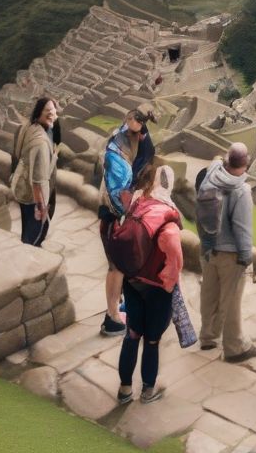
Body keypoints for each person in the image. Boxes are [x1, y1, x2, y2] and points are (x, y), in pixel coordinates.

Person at [116, 163, 182, 405]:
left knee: (132, 333)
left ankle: (124, 389)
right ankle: (147, 390)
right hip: (156, 287)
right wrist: (168, 284)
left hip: (132, 280)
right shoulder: (167, 216)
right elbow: (174, 255)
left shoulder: (136, 204)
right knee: (152, 340)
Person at [197, 143, 256, 363]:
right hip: (229, 254)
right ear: (245, 164)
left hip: (207, 248)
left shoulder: (211, 173)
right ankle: (235, 347)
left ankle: (208, 336)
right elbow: (242, 228)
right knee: (231, 300)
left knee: (209, 293)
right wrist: (246, 258)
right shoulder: (241, 190)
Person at [99, 108, 157, 336]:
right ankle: (112, 317)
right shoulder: (118, 155)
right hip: (114, 216)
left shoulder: (133, 138)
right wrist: (127, 215)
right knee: (116, 267)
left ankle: (118, 310)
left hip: (118, 214)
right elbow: (118, 192)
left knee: (123, 267)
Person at [9, 97, 59, 246]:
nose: (52, 113)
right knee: (36, 233)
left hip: (22, 186)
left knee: (27, 229)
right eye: (48, 110)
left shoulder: (28, 126)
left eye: (53, 109)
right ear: (39, 113)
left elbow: (17, 155)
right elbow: (38, 182)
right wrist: (41, 208)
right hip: (33, 195)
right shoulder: (41, 144)